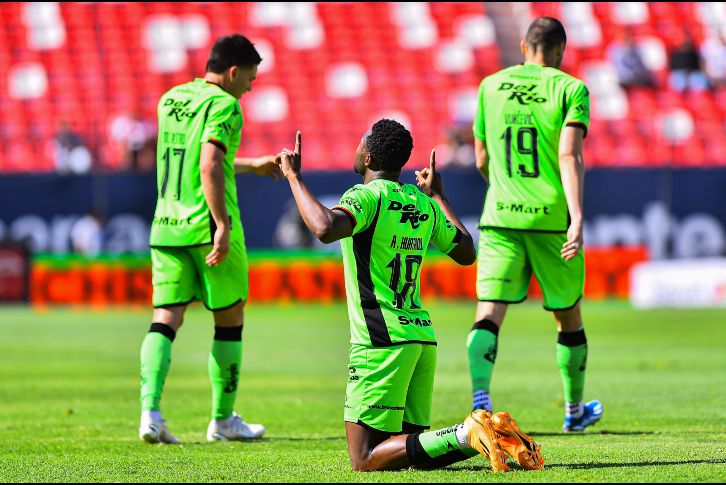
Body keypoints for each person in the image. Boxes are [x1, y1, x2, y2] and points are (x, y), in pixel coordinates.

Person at [277, 120, 544, 472]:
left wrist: (295, 177)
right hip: (420, 338)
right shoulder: (420, 202)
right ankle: (494, 433)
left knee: (364, 458)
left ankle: (469, 431)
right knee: (411, 455)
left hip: (381, 341)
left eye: (359, 143)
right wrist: (439, 197)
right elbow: (466, 252)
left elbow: (324, 227)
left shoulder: (365, 197)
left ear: (368, 155)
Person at [139, 33, 283, 445]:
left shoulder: (171, 99)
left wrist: (251, 166)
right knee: (230, 319)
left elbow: (198, 157)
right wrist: (221, 223)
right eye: (251, 79)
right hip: (206, 227)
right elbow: (207, 164)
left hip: (166, 225)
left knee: (165, 318)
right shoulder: (226, 106)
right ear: (234, 71)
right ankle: (222, 420)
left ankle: (150, 413)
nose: (251, 87)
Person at [467, 17, 603, 433]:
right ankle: (574, 410)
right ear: (560, 52)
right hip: (550, 218)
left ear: (524, 47)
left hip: (499, 216)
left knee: (489, 312)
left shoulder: (490, 86)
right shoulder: (570, 88)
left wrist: (506, 191)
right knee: (567, 315)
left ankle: (479, 402)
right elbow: (569, 155)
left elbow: (481, 159)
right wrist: (577, 216)